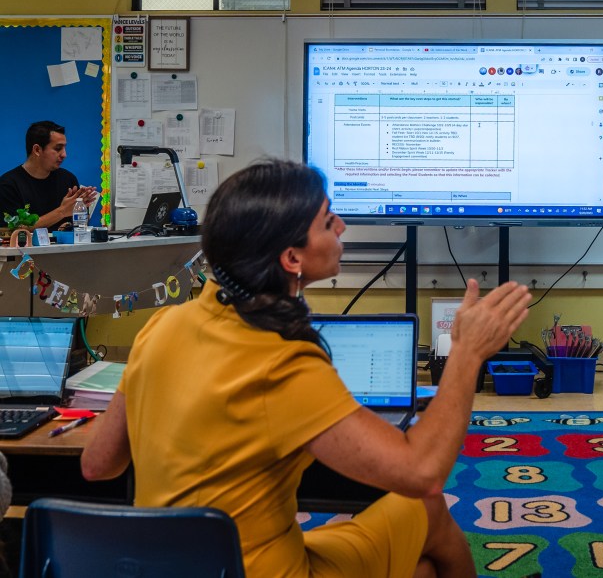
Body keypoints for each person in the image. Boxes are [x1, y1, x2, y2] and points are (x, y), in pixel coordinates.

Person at [80, 158, 532, 578]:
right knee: (428, 509)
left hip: (161, 567)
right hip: (259, 569)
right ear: (292, 259)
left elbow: (98, 465)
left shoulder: (163, 323)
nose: (343, 226)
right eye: (327, 220)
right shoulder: (281, 361)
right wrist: (467, 352)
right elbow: (422, 472)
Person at [0, 121, 98, 229]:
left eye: (64, 148)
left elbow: (79, 226)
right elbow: (13, 230)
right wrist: (62, 211)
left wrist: (81, 211)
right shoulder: (8, 185)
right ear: (37, 150)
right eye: (58, 148)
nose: (64, 154)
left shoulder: (68, 179)